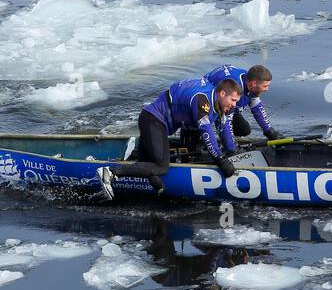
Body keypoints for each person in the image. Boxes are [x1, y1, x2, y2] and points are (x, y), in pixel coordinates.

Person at [99, 76, 242, 199]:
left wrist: (231, 151)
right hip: (153, 121)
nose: (234, 105)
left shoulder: (215, 98)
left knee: (154, 168)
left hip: (155, 122)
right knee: (161, 166)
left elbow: (223, 129)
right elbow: (206, 131)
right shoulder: (203, 100)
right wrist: (220, 159)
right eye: (233, 100)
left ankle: (146, 170)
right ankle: (111, 172)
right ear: (222, 93)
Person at [201, 64, 282, 141]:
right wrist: (231, 148)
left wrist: (269, 131)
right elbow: (224, 119)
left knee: (244, 130)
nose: (267, 89)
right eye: (265, 86)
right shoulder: (234, 88)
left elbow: (257, 107)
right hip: (208, 99)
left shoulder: (250, 80)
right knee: (211, 127)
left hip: (227, 98)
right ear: (254, 84)